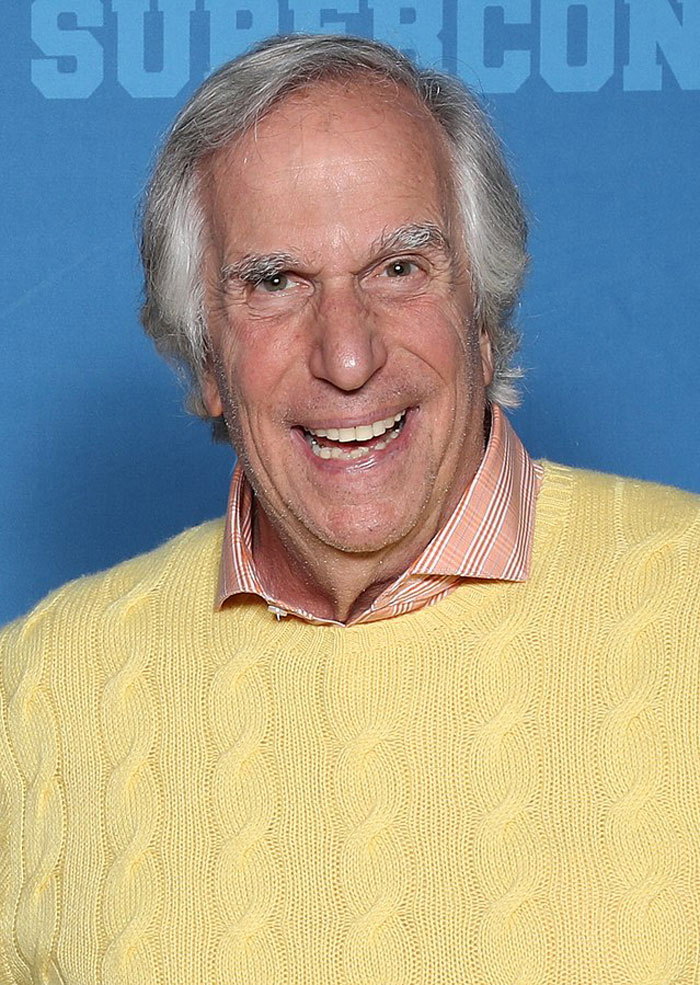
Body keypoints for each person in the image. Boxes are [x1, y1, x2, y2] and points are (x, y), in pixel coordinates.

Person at [1, 33, 698, 985]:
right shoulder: (41, 687)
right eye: (275, 283)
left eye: (399, 269)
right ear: (206, 360)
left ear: (484, 322)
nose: (348, 356)